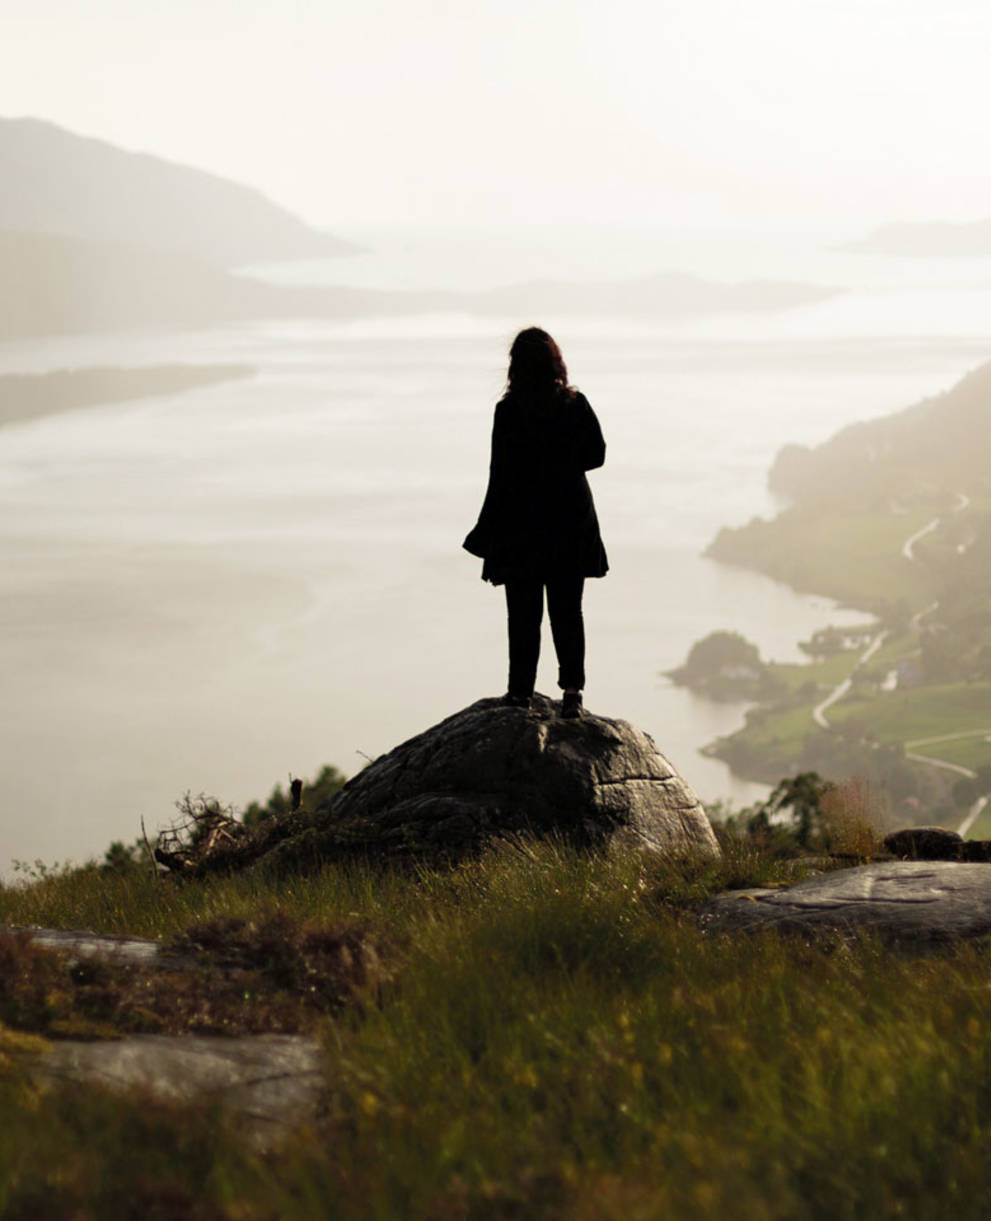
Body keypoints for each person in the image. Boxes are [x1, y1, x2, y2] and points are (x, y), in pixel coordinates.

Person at [463, 327, 608, 718]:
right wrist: (562, 461)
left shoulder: (508, 412)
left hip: (521, 526)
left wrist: (486, 534)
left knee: (523, 615)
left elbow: (500, 475)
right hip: (569, 523)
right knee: (567, 612)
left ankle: (520, 692)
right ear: (555, 363)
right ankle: (572, 695)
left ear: (515, 367)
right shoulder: (574, 405)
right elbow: (597, 455)